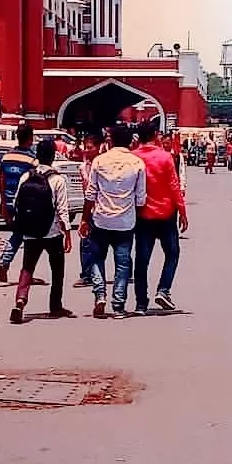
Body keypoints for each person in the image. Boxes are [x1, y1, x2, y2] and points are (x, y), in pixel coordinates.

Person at [79, 123, 146, 318]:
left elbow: (90, 194)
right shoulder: (137, 164)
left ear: (111, 141)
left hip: (101, 219)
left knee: (97, 258)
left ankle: (100, 294)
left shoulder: (99, 161)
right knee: (123, 263)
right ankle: (118, 305)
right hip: (125, 221)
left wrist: (84, 219)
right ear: (130, 142)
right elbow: (141, 198)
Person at [9, 138, 74, 324]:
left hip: (30, 232)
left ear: (37, 156)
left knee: (27, 267)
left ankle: (20, 301)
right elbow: (62, 209)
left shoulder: (26, 177)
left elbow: (16, 204)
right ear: (53, 156)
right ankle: (55, 306)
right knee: (57, 269)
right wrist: (67, 234)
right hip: (52, 232)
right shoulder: (57, 179)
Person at [134, 123, 189, 314]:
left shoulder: (134, 158)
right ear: (156, 135)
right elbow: (174, 186)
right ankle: (163, 290)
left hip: (142, 215)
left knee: (141, 260)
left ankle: (141, 303)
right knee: (172, 254)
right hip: (166, 213)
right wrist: (182, 211)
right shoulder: (165, 157)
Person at [0, 122, 37, 284]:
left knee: (19, 234)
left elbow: (2, 181)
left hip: (10, 201)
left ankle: (6, 263)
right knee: (28, 238)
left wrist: (4, 203)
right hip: (25, 205)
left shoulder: (7, 157)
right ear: (30, 139)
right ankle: (16, 268)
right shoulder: (32, 160)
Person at [74, 132, 101, 288]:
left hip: (103, 210)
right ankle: (86, 274)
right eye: (85, 147)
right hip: (89, 208)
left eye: (89, 147)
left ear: (99, 147)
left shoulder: (104, 164)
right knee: (85, 242)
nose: (86, 150)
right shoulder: (83, 167)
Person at [161, 132, 187, 196]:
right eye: (163, 143)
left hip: (175, 185)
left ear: (171, 142)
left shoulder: (177, 155)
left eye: (167, 143)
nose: (165, 145)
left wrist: (182, 186)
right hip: (162, 186)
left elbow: (181, 171)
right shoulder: (160, 155)